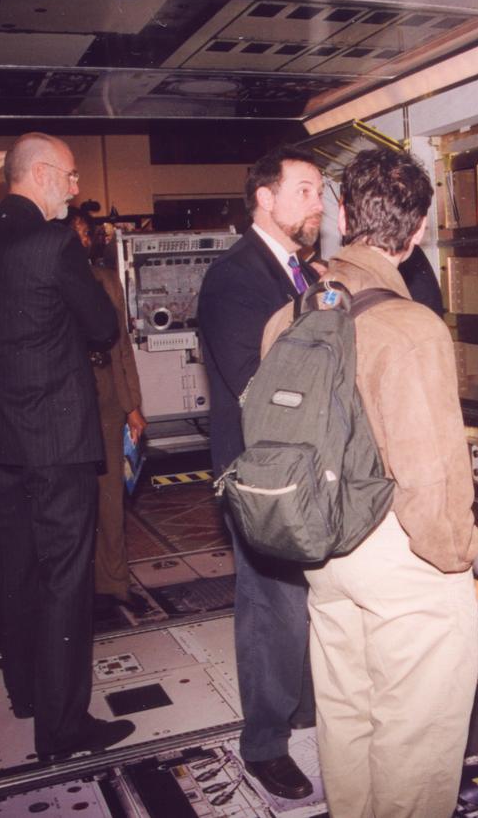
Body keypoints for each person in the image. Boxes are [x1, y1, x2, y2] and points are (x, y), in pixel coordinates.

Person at [261, 147, 478, 816]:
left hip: (323, 549)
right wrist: (455, 557)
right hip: (400, 555)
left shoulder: (289, 316)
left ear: (344, 215)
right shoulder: (411, 327)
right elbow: (429, 470)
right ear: (419, 230)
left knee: (347, 712)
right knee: (415, 733)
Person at [0, 135, 135, 760]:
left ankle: (23, 692)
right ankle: (63, 728)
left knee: (15, 564)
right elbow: (102, 325)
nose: (75, 188)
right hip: (56, 436)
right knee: (65, 576)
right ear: (41, 174)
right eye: (70, 175)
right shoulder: (54, 243)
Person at [197, 146, 322, 800]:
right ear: (265, 199)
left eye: (320, 192)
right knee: (271, 604)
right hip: (260, 469)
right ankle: (266, 744)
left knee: (300, 597)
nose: (319, 204)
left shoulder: (298, 271)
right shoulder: (235, 277)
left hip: (304, 463)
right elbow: (257, 383)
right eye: (305, 190)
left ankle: (303, 710)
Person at [67, 208, 150, 618]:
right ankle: (74, 587)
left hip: (108, 396)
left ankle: (115, 582)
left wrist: (133, 405)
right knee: (70, 502)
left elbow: (122, 348)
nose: (83, 240)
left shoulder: (106, 280)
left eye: (87, 233)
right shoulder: (51, 281)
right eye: (76, 233)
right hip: (66, 400)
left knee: (111, 497)